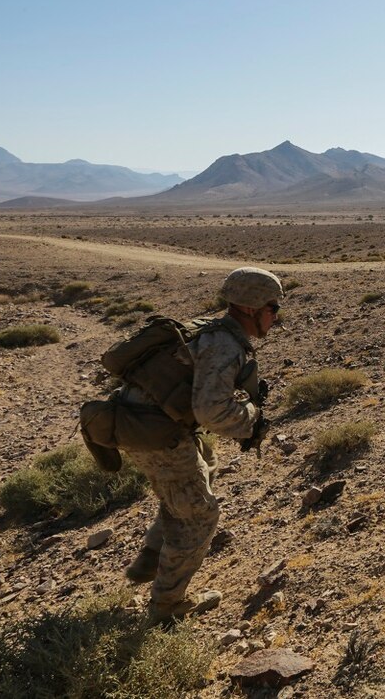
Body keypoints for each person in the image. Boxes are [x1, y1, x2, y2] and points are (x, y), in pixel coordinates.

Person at [122, 267, 282, 625]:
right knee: (199, 514)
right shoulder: (225, 344)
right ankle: (166, 608)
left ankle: (152, 554)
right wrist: (251, 420)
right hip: (156, 435)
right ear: (253, 307)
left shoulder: (210, 328)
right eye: (273, 308)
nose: (276, 317)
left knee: (204, 465)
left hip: (140, 423)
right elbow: (210, 411)